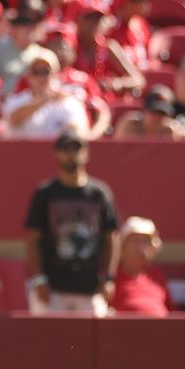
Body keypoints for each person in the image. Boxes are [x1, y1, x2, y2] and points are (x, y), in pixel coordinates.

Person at [23, 130, 118, 318]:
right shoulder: (45, 193)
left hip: (90, 287)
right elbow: (33, 239)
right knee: (50, 344)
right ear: (56, 154)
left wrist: (107, 277)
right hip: (52, 288)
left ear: (87, 153)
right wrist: (38, 278)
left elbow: (111, 236)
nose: (71, 154)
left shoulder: (99, 193)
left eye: (76, 149)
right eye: (65, 149)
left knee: (91, 345)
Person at [110, 217, 169, 317]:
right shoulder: (111, 276)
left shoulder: (157, 276)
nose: (141, 247)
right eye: (135, 241)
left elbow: (171, 310)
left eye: (145, 241)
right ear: (122, 246)